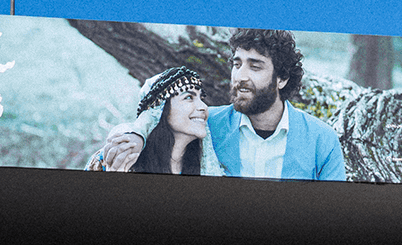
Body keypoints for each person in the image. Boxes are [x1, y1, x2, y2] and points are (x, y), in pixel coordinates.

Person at [103, 30, 346, 181]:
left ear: (281, 79)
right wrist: (136, 134)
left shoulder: (321, 140)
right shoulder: (207, 124)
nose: (240, 76)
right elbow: (158, 111)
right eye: (237, 64)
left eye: (255, 66)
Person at [86, 66, 225, 175]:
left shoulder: (207, 165)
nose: (204, 106)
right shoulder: (118, 157)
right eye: (188, 97)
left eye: (202, 98)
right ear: (160, 108)